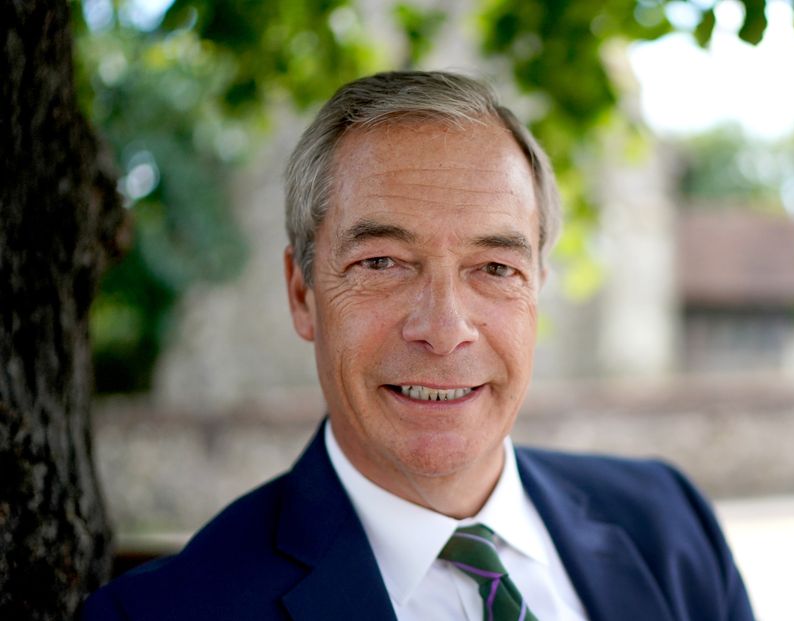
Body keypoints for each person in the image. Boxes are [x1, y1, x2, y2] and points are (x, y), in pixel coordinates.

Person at [83, 70, 754, 621]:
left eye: (495, 268)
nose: (444, 328)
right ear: (302, 292)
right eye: (382, 262)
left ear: (536, 291)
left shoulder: (670, 525)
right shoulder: (161, 614)